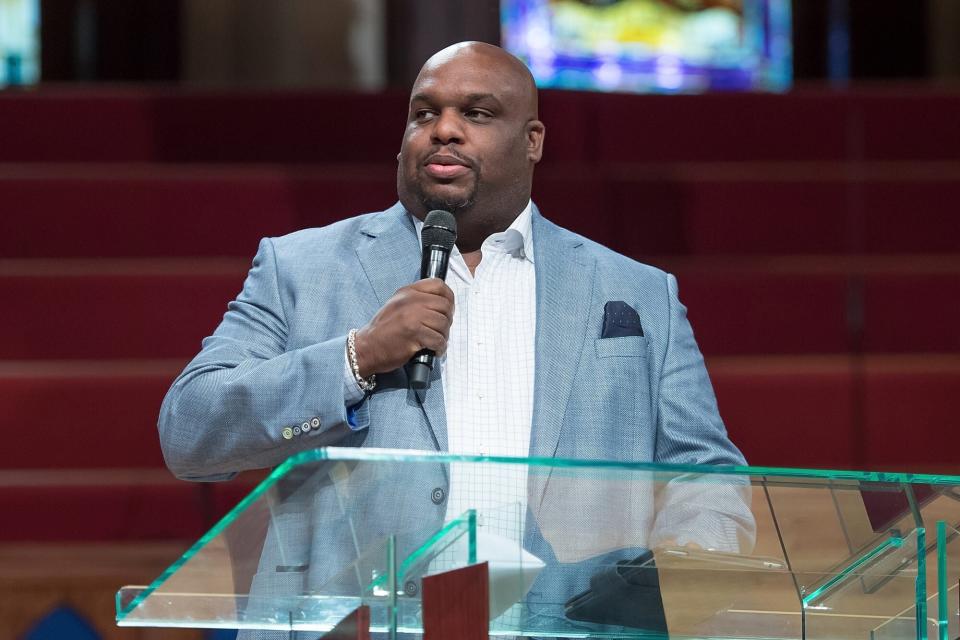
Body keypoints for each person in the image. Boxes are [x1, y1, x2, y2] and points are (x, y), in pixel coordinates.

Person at [158, 41, 753, 636]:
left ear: (533, 140)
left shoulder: (636, 291)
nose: (444, 130)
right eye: (424, 113)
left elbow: (703, 471)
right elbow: (190, 431)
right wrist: (356, 358)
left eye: (477, 113)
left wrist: (683, 575)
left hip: (569, 626)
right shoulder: (300, 268)